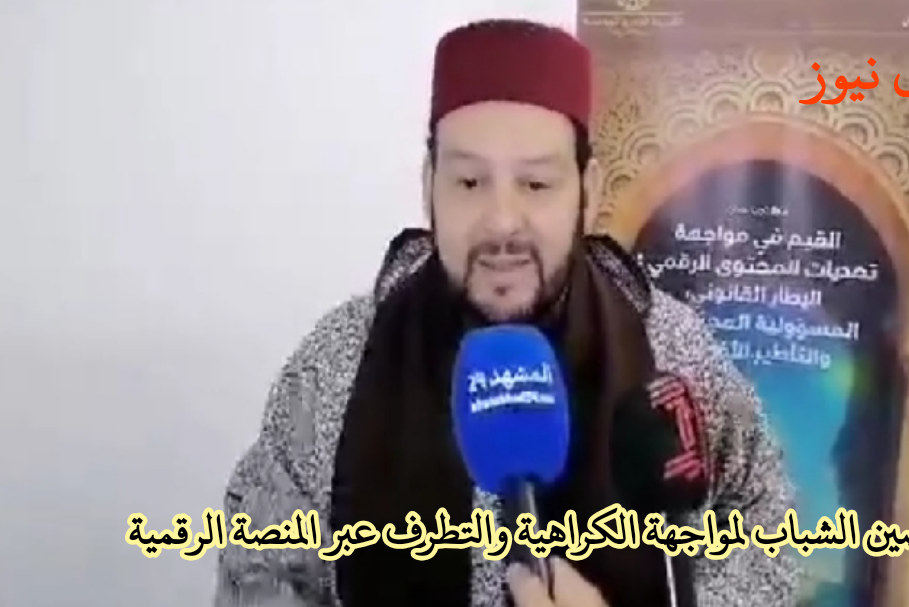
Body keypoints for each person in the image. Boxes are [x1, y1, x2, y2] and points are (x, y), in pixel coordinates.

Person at [214, 18, 798, 607]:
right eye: (469, 182)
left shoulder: (672, 356)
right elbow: (257, 569)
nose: (500, 221)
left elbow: (771, 530)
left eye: (536, 184)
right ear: (429, 187)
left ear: (588, 191)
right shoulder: (337, 363)